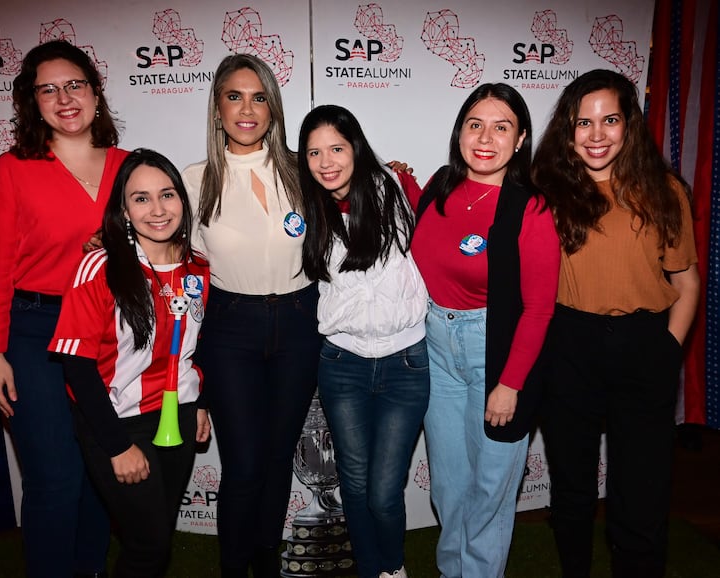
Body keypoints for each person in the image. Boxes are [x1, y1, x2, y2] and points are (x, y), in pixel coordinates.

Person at [532, 69, 700, 578]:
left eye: (610, 119)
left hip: (645, 345)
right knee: (573, 488)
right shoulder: (545, 191)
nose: (597, 134)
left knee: (642, 489)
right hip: (567, 346)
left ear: (629, 125)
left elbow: (686, 282)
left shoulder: (664, 191)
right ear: (568, 129)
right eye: (584, 122)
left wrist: (668, 350)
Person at [0, 39, 128, 578]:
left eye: (75, 85)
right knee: (55, 476)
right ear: (31, 101)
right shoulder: (12, 171)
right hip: (34, 332)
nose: (65, 98)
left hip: (108, 334)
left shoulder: (128, 167)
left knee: (95, 472)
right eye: (49, 89)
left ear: (94, 92)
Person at [397, 83, 560, 578]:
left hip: (495, 351)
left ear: (521, 138)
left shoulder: (530, 207)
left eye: (501, 126)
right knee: (449, 483)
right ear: (460, 133)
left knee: (490, 485)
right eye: (475, 124)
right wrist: (398, 179)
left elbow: (538, 310)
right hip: (435, 347)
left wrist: (509, 384)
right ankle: (454, 571)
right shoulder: (441, 186)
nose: (485, 138)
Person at [181, 53, 321, 578]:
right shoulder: (194, 182)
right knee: (242, 465)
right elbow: (164, 251)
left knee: (279, 456)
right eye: (234, 96)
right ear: (217, 108)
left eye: (259, 97)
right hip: (230, 328)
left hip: (300, 323)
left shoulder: (303, 170)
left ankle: (268, 565)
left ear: (273, 108)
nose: (247, 108)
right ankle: (233, 567)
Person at [48, 148, 210, 577]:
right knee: (148, 543)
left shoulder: (198, 267)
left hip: (178, 412)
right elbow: (77, 368)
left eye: (167, 195)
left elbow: (198, 343)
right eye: (141, 198)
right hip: (117, 422)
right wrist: (116, 445)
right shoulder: (99, 266)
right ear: (123, 208)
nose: (157, 209)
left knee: (157, 537)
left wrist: (201, 400)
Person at [298, 105, 429, 578]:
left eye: (336, 148)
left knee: (383, 491)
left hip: (405, 363)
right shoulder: (305, 208)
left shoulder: (394, 189)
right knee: (353, 484)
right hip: (343, 363)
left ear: (355, 147)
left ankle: (393, 568)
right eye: (314, 152)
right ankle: (370, 569)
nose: (326, 161)